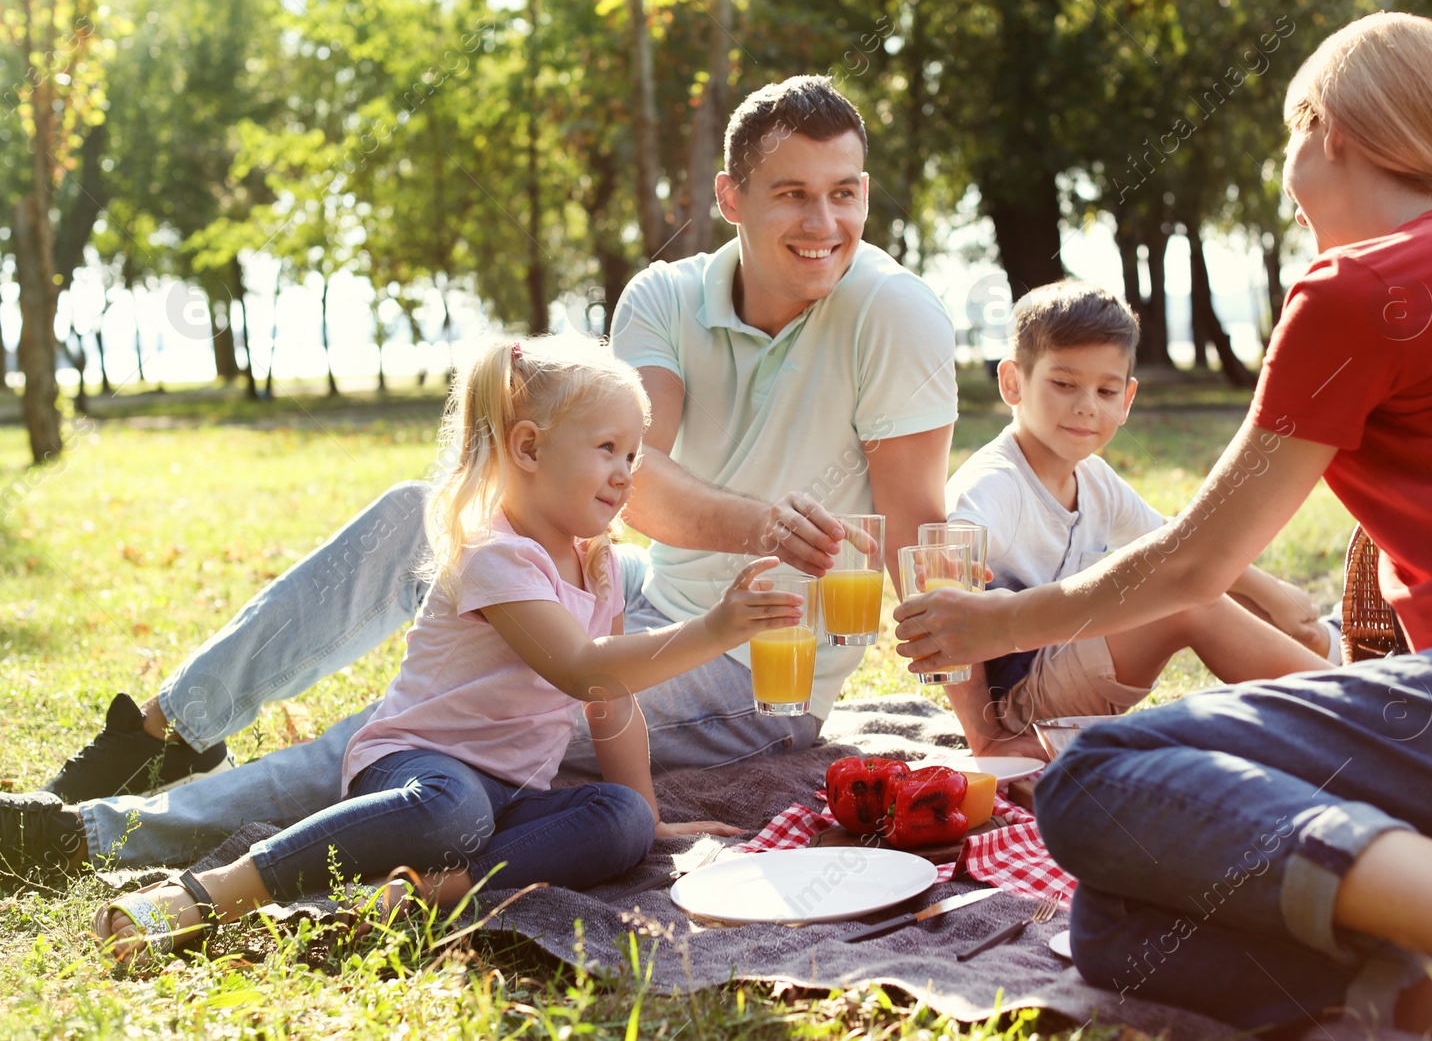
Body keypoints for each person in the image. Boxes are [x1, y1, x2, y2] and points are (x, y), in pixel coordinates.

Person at [0, 74, 956, 885]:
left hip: (751, 663)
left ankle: (90, 838)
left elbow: (922, 530)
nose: (824, 222)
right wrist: (757, 527)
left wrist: (987, 722)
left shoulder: (893, 311)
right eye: (792, 193)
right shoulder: (667, 295)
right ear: (730, 196)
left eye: (846, 193)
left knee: (417, 733)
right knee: (415, 517)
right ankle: (163, 730)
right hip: (645, 590)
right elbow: (640, 483)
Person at [894, 13, 1432, 1035]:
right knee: (1121, 920)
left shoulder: (1364, 282)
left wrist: (996, 624)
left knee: (1103, 774)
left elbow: (1195, 560)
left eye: (1288, 141)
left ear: (1332, 134)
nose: (1288, 178)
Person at [90, 335, 790, 963]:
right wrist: (716, 629)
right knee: (454, 812)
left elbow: (610, 695)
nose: (626, 472)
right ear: (528, 447)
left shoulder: (598, 563)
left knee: (620, 821)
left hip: (514, 790)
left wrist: (647, 809)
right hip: (415, 768)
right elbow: (582, 670)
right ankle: (221, 887)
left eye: (633, 454)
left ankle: (427, 893)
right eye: (607, 448)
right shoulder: (495, 553)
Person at [941, 280, 1334, 760]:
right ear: (1013, 383)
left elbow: (1176, 542)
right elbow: (939, 581)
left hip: (1069, 660)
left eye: (1106, 390)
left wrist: (1270, 593)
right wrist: (986, 739)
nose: (1087, 404)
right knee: (1184, 601)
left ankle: (1332, 677)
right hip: (1018, 698)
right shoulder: (994, 484)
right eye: (1064, 384)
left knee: (1226, 596)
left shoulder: (1094, 478)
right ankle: (1349, 718)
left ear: (1126, 399)